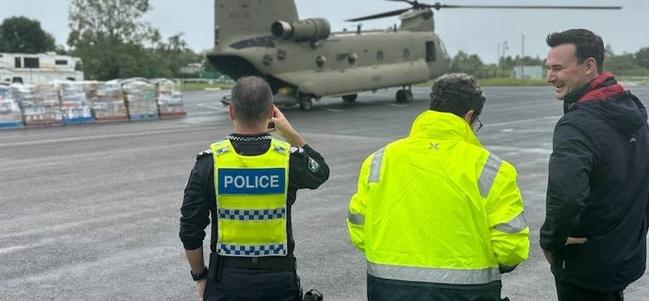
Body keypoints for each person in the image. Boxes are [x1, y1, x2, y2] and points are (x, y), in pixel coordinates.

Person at [347, 73, 529, 301]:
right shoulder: (493, 169)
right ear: (470, 117)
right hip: (466, 293)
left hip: (388, 290)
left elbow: (359, 227)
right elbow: (510, 247)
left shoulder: (379, 160)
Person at [179, 76, 330, 301]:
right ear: (271, 112)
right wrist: (289, 132)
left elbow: (190, 230)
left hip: (226, 282)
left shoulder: (209, 164)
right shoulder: (287, 159)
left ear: (231, 112)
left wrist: (200, 276)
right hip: (279, 281)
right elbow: (321, 172)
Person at [541, 28, 649, 301]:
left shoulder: (576, 125)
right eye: (548, 68)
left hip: (586, 266)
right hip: (624, 258)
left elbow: (565, 198)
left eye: (557, 68)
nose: (549, 77)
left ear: (589, 66)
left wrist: (551, 243)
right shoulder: (632, 111)